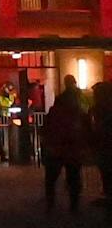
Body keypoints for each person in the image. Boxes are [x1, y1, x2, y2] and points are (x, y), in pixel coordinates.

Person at [40, 72, 89, 213]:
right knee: (73, 177)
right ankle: (74, 205)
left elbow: (46, 127)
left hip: (56, 146)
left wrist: (47, 142)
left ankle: (51, 203)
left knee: (51, 177)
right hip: (72, 147)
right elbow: (85, 126)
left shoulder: (56, 109)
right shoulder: (78, 107)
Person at [90, 79, 112, 213]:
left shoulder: (101, 110)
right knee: (106, 172)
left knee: (107, 171)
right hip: (103, 145)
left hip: (105, 145)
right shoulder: (97, 109)